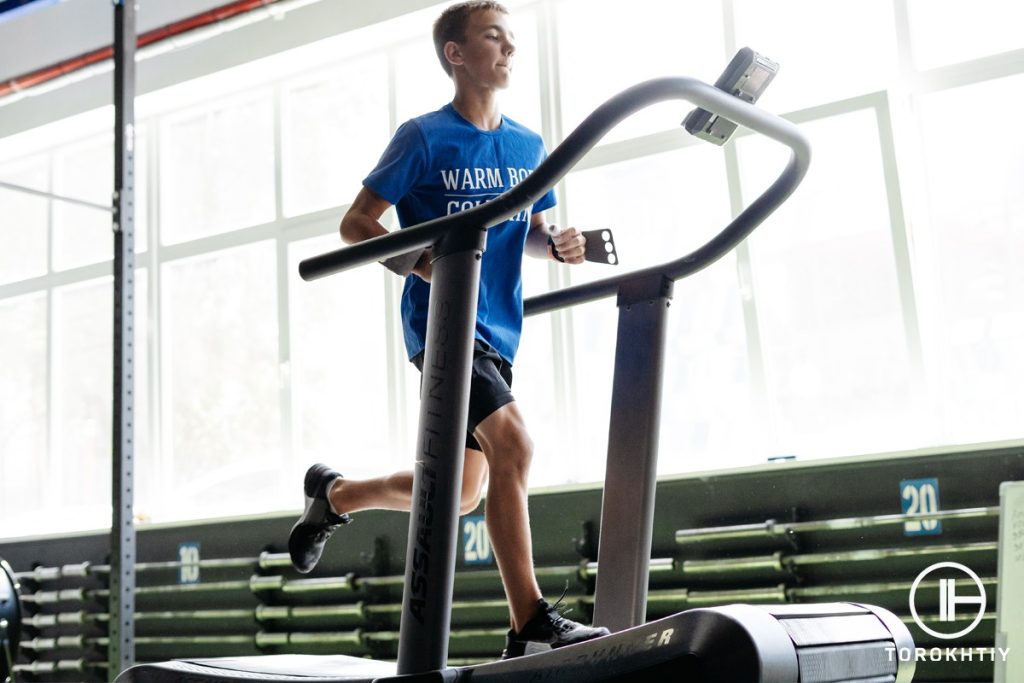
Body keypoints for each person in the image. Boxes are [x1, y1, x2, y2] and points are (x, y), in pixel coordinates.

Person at [288, 1, 609, 659]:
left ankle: (333, 494)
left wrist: (565, 244)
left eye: (513, 40)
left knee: (460, 492)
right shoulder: (425, 137)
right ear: (455, 53)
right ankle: (528, 621)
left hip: (499, 330)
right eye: (494, 37)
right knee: (514, 445)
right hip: (442, 324)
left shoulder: (527, 147)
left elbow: (535, 235)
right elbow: (358, 223)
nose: (509, 50)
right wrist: (425, 261)